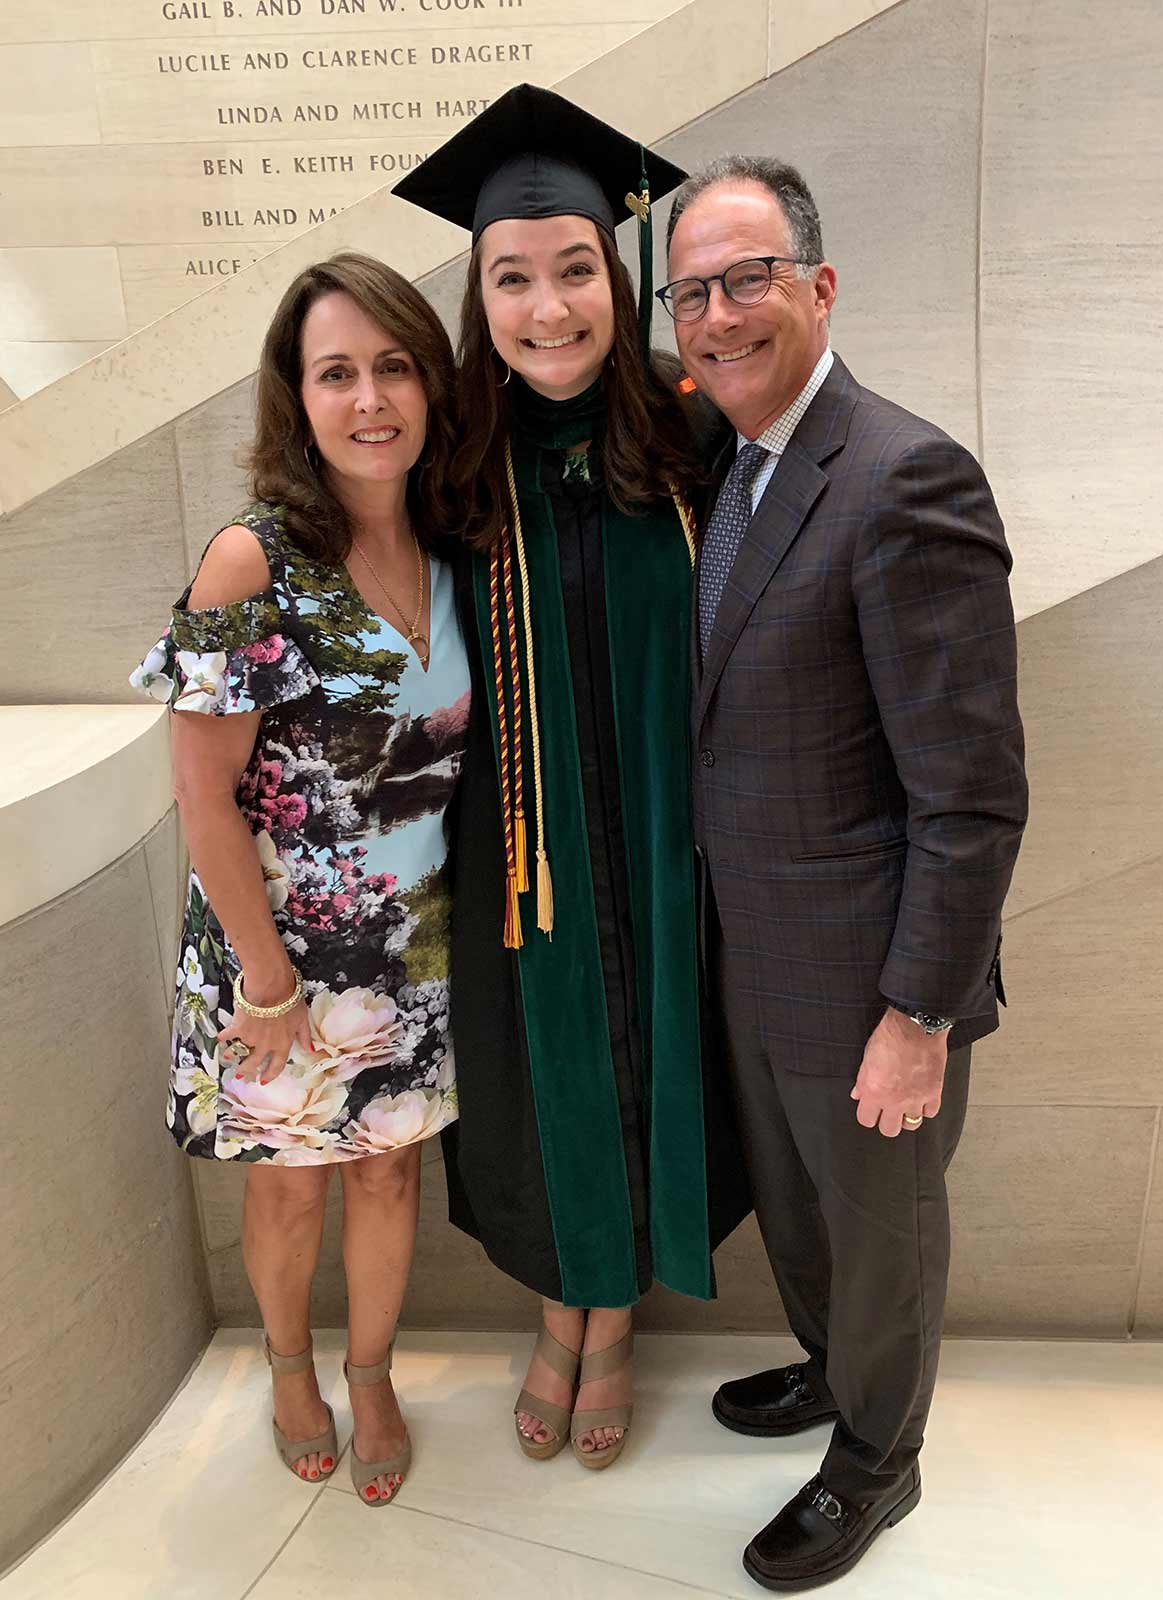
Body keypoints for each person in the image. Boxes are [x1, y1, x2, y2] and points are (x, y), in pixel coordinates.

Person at [660, 157, 1028, 1588]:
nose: (719, 312)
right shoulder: (731, 469)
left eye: (749, 276)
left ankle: (882, 1464)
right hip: (757, 955)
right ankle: (836, 1373)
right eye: (693, 291)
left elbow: (973, 794)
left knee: (884, 1236)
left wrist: (919, 1015)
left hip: (871, 979)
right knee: (810, 1221)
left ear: (819, 286)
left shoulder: (902, 474)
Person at [393, 85, 748, 1470]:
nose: (549, 307)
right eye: (512, 278)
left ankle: (620, 1317)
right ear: (478, 295)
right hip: (516, 854)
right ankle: (565, 1314)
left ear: (624, 274)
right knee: (541, 1090)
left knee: (662, 1060)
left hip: (672, 840)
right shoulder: (449, 464)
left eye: (578, 269)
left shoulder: (691, 438)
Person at [129, 252, 470, 1507]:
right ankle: (288, 1368)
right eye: (338, 372)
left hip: (410, 957)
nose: (370, 398)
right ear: (297, 394)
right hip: (274, 958)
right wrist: (267, 986)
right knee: (291, 1187)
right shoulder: (253, 561)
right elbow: (201, 793)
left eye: (393, 368)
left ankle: (370, 1368)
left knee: (389, 1172)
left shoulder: (453, 545)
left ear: (432, 386)